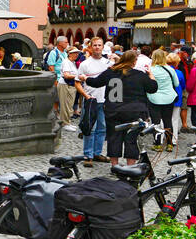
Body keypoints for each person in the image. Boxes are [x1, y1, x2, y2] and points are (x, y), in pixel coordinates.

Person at [84, 49, 158, 166]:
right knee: (132, 139)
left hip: (113, 110)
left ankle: (115, 165)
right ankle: (130, 166)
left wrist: (85, 78)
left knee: (114, 138)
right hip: (135, 112)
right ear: (134, 62)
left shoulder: (111, 72)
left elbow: (95, 82)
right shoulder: (140, 75)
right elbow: (153, 88)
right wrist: (151, 75)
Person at [75, 36, 109, 166]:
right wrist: (85, 95)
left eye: (99, 45)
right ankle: (88, 155)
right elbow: (77, 83)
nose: (97, 48)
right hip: (90, 100)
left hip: (104, 100)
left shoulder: (108, 63)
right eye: (95, 45)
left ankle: (97, 153)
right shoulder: (85, 64)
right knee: (90, 128)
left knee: (102, 128)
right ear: (91, 47)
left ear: (103, 47)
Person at [147, 48, 179, 150]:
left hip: (154, 98)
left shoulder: (150, 69)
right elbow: (177, 84)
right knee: (167, 121)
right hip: (168, 98)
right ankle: (169, 144)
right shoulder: (170, 69)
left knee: (156, 122)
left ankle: (157, 144)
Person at [45, 37, 70, 118]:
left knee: (63, 99)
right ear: (60, 43)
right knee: (56, 98)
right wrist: (55, 80)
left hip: (64, 79)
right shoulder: (54, 53)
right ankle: (55, 115)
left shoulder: (65, 53)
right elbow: (51, 67)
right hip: (58, 79)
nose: (67, 43)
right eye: (66, 42)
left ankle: (61, 115)